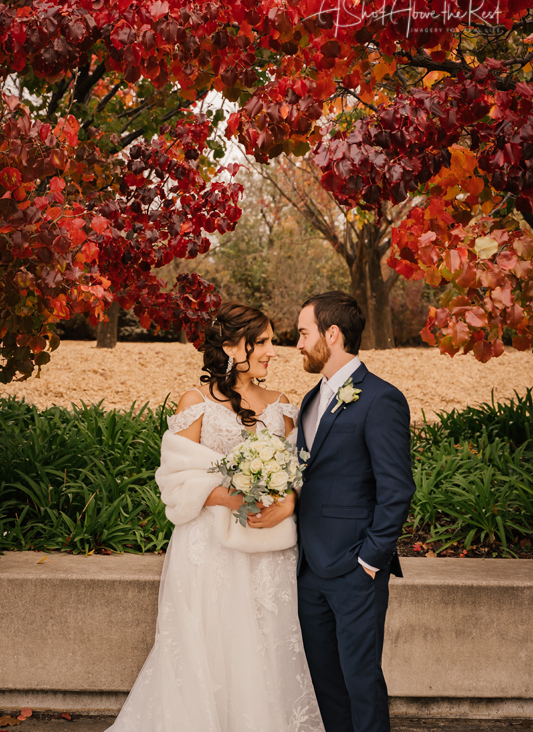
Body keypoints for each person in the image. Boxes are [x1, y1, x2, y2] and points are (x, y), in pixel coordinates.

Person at [106, 302, 324, 732]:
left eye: (272, 341)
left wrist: (288, 502)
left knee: (266, 644)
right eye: (261, 342)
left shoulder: (283, 406)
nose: (272, 351)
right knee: (211, 645)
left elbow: (301, 472)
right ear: (230, 347)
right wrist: (229, 497)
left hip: (267, 548)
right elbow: (176, 477)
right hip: (209, 549)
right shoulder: (197, 402)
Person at [295, 291, 415, 732]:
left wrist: (369, 560)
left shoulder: (382, 399)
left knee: (361, 682)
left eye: (303, 333)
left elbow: (397, 488)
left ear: (332, 334)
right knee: (326, 685)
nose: (298, 344)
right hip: (309, 569)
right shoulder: (310, 399)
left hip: (354, 570)